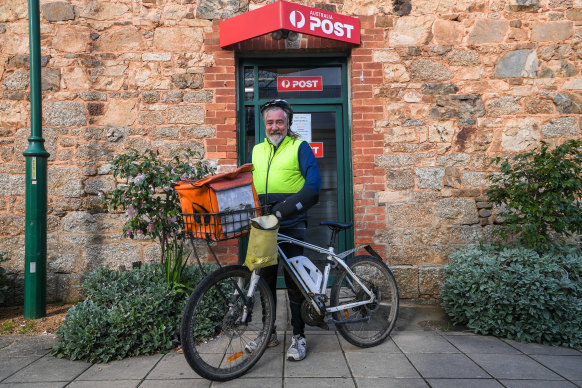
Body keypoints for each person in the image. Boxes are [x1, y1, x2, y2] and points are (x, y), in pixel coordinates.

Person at [246, 99, 321, 361]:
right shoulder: (256, 150)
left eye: (280, 122)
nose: (275, 126)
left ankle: (299, 337)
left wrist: (283, 210)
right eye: (270, 122)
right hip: (264, 225)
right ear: (264, 125)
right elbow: (246, 184)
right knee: (264, 281)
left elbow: (313, 187)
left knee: (293, 282)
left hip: (290, 222)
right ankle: (268, 334)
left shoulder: (300, 147)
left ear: (288, 123)